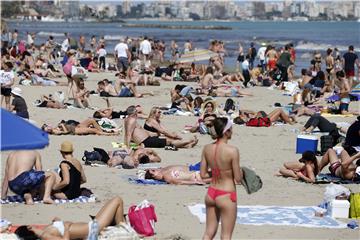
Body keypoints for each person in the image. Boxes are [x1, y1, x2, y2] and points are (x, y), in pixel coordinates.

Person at [200, 117, 242, 240]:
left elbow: (203, 175)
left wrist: (217, 172)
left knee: (208, 233)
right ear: (226, 131)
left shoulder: (207, 148)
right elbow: (238, 179)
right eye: (231, 129)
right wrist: (242, 174)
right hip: (226, 194)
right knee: (226, 235)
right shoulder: (232, 151)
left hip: (211, 192)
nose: (232, 132)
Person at [15, 196, 125, 239]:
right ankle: (124, 228)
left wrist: (58, 222)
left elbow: (59, 231)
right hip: (93, 228)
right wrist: (66, 227)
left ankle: (122, 226)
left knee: (114, 203)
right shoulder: (46, 236)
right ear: (29, 228)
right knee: (117, 200)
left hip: (92, 226)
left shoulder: (45, 231)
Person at [124, 106, 198, 149]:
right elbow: (128, 134)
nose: (138, 113)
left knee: (169, 140)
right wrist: (127, 147)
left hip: (148, 138)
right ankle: (189, 141)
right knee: (169, 141)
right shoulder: (132, 120)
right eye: (137, 111)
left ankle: (187, 145)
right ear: (134, 112)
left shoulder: (129, 119)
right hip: (145, 141)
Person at [42, 119, 119, 136]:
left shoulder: (54, 128)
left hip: (75, 126)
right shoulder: (55, 132)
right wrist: (62, 126)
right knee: (93, 130)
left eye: (47, 126)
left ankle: (102, 131)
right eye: (47, 129)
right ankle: (108, 134)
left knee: (91, 120)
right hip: (75, 130)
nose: (49, 127)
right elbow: (65, 132)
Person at [145, 165, 210, 185]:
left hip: (197, 174)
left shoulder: (165, 173)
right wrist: (195, 182)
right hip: (197, 177)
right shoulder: (166, 177)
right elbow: (179, 182)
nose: (156, 169)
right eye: (154, 171)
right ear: (153, 176)